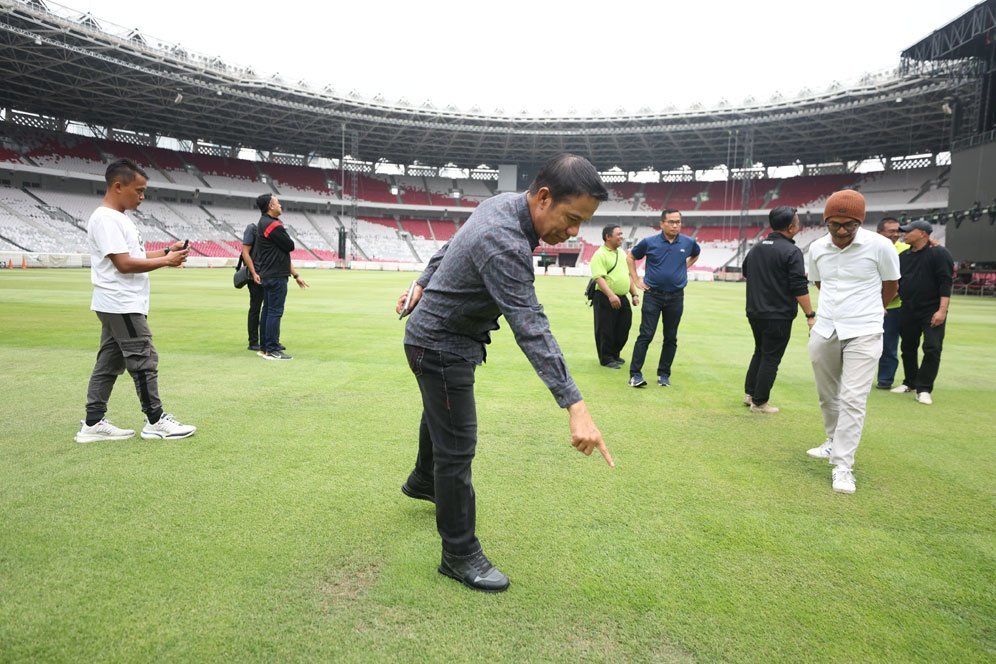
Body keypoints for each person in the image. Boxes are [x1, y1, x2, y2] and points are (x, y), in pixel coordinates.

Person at [395, 153, 614, 593]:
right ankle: (459, 554)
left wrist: (423, 278)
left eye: (582, 223)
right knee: (458, 447)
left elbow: (450, 245)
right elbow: (530, 325)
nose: (574, 232)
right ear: (545, 197)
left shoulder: (502, 204)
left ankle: (423, 480)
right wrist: (576, 405)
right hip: (441, 345)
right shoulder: (505, 239)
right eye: (572, 219)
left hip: (435, 337)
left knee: (440, 415)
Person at [75, 158, 197, 443]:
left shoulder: (118, 218)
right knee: (143, 358)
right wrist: (167, 260)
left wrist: (167, 252)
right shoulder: (105, 218)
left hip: (118, 302)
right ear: (118, 186)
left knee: (109, 362)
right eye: (138, 190)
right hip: (121, 302)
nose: (142, 197)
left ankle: (93, 423)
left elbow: (134, 257)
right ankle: (155, 419)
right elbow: (124, 264)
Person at [805, 190, 899, 494]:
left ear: (860, 221)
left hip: (865, 329)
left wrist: (872, 310)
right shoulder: (817, 248)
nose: (842, 231)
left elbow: (891, 286)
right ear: (826, 221)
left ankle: (843, 466)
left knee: (853, 398)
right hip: (826, 328)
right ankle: (833, 441)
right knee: (827, 394)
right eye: (835, 224)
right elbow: (820, 282)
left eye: (849, 225)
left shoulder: (881, 246)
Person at [741, 206, 816, 414]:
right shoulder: (791, 251)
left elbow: (747, 271)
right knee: (771, 357)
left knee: (760, 351)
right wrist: (810, 314)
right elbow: (799, 286)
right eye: (798, 221)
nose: (799, 224)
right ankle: (760, 402)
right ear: (791, 227)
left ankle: (750, 394)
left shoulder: (757, 246)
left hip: (755, 310)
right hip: (778, 313)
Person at [626, 208, 700, 387]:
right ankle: (635, 374)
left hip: (676, 297)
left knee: (671, 337)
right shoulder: (649, 242)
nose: (675, 225)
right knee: (646, 335)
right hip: (653, 295)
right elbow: (630, 257)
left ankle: (664, 374)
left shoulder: (689, 242)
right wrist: (636, 279)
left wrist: (683, 267)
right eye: (671, 222)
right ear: (662, 224)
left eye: (678, 222)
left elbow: (696, 253)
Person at [890, 219, 954, 405]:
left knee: (932, 348)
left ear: (923, 234)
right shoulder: (904, 257)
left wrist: (942, 311)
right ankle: (910, 382)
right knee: (908, 347)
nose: (905, 234)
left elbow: (945, 283)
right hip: (908, 307)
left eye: (909, 231)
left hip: (932, 309)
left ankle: (924, 388)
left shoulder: (939, 253)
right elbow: (897, 284)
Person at [253, 194, 308, 360]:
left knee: (268, 311)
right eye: (277, 203)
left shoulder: (263, 222)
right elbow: (290, 245)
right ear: (270, 206)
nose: (280, 205)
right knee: (275, 312)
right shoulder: (272, 225)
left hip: (268, 274)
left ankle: (265, 347)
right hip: (276, 275)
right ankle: (272, 349)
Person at [590, 224, 639, 368]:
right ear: (608, 237)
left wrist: (634, 294)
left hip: (622, 297)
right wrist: (611, 295)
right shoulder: (600, 254)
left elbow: (627, 275)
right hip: (605, 297)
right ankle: (606, 358)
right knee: (605, 329)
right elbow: (599, 277)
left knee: (624, 327)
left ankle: (615, 353)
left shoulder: (622, 253)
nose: (621, 237)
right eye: (618, 234)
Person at [874, 217, 909, 389]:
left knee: (896, 345)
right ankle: (882, 380)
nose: (896, 234)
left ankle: (892, 381)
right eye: (891, 231)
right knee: (884, 345)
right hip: (877, 306)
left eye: (898, 231)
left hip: (897, 307)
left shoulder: (906, 249)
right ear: (879, 232)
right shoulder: (872, 248)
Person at [239, 221, 264, 351]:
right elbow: (245, 252)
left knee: (268, 310)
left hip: (268, 275)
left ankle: (267, 340)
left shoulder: (268, 228)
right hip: (255, 276)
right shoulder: (252, 228)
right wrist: (254, 273)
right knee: (255, 308)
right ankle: (253, 341)